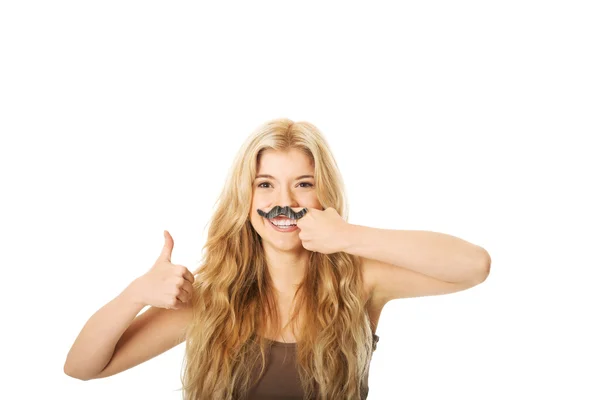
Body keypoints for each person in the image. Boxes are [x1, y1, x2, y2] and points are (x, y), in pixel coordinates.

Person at [64, 118, 491, 399]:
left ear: (322, 193)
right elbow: (82, 367)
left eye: (302, 184)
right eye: (265, 185)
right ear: (246, 199)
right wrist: (135, 293)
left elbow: (473, 266)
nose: (283, 202)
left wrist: (349, 236)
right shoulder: (211, 300)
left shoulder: (359, 283)